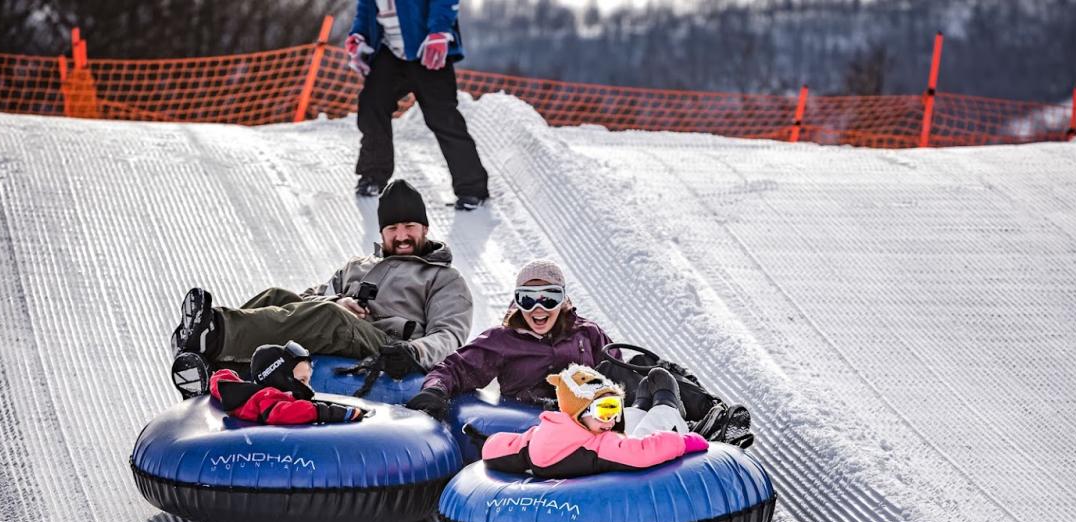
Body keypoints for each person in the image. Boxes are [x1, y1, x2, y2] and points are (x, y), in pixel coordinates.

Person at [169, 180, 472, 398]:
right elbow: (305, 302)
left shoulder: (444, 278)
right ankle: (211, 370)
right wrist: (339, 300)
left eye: (409, 227)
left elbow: (450, 335)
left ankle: (216, 332)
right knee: (277, 296)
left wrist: (412, 351)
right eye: (393, 229)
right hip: (345, 327)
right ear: (382, 232)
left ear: (424, 229)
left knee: (328, 316)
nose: (401, 236)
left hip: (389, 346)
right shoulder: (358, 266)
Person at [405, 258, 613, 420]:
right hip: (527, 425)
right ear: (517, 301)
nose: (538, 309)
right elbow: (457, 367)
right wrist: (436, 388)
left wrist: (634, 380)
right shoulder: (503, 340)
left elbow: (614, 367)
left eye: (549, 299)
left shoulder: (586, 333)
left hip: (584, 424)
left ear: (563, 300)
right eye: (527, 299)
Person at [345, 0, 489, 209]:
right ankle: (373, 176)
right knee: (371, 105)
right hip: (390, 53)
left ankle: (472, 189)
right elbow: (366, 8)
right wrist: (359, 35)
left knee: (443, 118)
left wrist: (439, 32)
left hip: (426, 50)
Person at [480, 363, 708, 479]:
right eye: (604, 409)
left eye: (614, 408)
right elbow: (640, 452)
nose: (611, 418)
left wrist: (488, 444)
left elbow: (508, 446)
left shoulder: (543, 431)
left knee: (620, 424)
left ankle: (639, 407)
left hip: (593, 441)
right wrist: (686, 443)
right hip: (620, 464)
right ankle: (668, 407)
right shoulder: (595, 446)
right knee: (650, 424)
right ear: (579, 409)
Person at [180, 341, 365, 425]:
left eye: (308, 381)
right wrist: (329, 412)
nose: (307, 388)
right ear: (279, 377)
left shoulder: (248, 392)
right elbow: (283, 413)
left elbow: (223, 380)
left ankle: (199, 389)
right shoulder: (269, 397)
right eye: (301, 380)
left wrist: (215, 378)